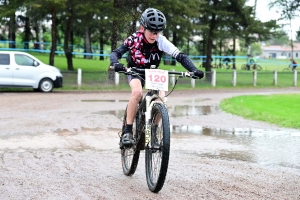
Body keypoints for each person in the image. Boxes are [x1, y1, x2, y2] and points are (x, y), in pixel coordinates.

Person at [110, 8, 204, 148]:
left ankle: (152, 133)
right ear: (143, 28)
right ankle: (128, 131)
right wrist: (115, 63)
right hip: (135, 71)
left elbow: (180, 56)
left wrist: (193, 70)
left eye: (157, 32)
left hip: (153, 73)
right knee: (136, 93)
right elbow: (116, 52)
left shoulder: (161, 41)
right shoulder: (134, 39)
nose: (154, 35)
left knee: (161, 98)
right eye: (151, 31)